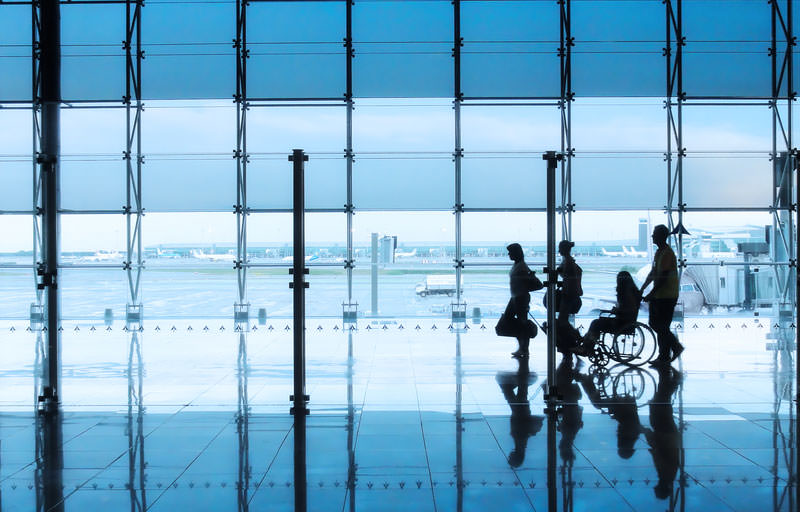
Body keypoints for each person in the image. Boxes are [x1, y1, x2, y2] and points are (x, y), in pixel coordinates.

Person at [640, 225, 684, 365]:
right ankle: (664, 356)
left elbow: (662, 278)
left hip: (666, 296)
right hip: (661, 296)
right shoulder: (660, 252)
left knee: (659, 324)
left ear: (660, 236)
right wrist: (643, 288)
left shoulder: (667, 254)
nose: (652, 236)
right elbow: (654, 273)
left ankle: (674, 347)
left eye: (654, 234)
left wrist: (650, 293)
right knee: (660, 325)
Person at [573, 271, 641, 356]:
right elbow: (629, 309)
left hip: (622, 323)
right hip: (625, 321)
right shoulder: (632, 292)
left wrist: (616, 311)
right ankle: (587, 345)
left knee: (596, 323)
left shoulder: (627, 294)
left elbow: (627, 310)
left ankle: (587, 346)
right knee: (597, 323)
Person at [496, 357, 544, 467]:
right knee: (519, 389)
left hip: (520, 413)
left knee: (519, 389)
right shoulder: (520, 445)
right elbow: (521, 433)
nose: (509, 455)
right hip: (520, 413)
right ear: (515, 457)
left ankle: (523, 363)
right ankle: (523, 362)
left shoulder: (521, 446)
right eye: (510, 458)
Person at [505, 243, 543, 358]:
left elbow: (526, 283)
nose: (508, 254)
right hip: (516, 297)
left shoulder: (521, 267)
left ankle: (524, 348)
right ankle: (522, 348)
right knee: (517, 321)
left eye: (510, 252)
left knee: (521, 323)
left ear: (515, 253)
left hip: (520, 298)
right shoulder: (519, 265)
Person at [556, 240, 582, 358]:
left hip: (568, 293)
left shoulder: (568, 262)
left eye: (560, 248)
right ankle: (574, 338)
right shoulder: (568, 261)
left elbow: (568, 278)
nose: (559, 250)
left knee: (562, 320)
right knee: (563, 320)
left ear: (564, 249)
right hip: (570, 292)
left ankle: (576, 336)